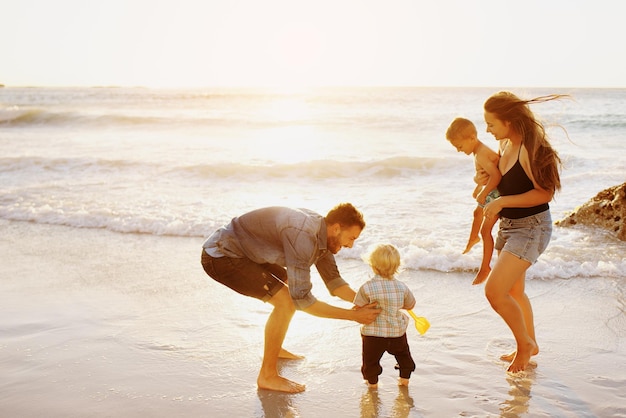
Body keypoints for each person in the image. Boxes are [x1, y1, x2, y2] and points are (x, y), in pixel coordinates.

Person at [201, 203, 381, 393]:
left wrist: (365, 302)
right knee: (287, 302)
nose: (350, 245)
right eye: (351, 238)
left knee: (289, 290)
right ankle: (267, 375)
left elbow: (335, 283)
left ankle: (274, 348)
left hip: (251, 252)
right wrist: (353, 316)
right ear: (336, 228)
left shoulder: (324, 236)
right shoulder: (304, 236)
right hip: (222, 254)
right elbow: (303, 300)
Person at [481, 91, 566, 373]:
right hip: (510, 226)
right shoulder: (506, 144)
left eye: (491, 124)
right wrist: (488, 183)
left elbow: (545, 193)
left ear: (509, 121)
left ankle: (524, 346)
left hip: (531, 228)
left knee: (495, 291)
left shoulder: (532, 148)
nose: (487, 130)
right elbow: (505, 184)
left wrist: (503, 201)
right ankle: (532, 344)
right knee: (515, 290)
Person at [446, 117, 502, 285]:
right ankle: (473, 239)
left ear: (472, 138)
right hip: (494, 191)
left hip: (497, 194)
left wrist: (483, 192)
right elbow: (487, 174)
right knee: (477, 212)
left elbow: (496, 176)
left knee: (486, 231)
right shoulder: (478, 152)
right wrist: (479, 187)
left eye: (460, 146)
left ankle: (485, 267)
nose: (458, 151)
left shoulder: (482, 153)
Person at [353, 243, 416, 388]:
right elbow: (410, 305)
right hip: (396, 333)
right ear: (397, 266)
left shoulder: (367, 287)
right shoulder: (402, 287)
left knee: (370, 361)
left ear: (373, 265)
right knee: (403, 356)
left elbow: (359, 307)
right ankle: (404, 380)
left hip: (372, 334)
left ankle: (373, 384)